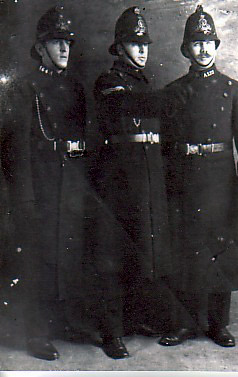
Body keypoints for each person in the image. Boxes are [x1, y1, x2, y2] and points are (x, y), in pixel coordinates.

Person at [1, 5, 103, 360]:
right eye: (56, 42)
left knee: (69, 255)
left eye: (68, 43)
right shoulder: (23, 88)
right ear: (40, 46)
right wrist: (25, 199)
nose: (64, 49)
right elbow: (15, 150)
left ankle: (65, 323)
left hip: (71, 185)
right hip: (40, 188)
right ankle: (36, 333)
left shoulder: (74, 88)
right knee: (38, 259)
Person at [93, 6, 195, 359]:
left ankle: (140, 321)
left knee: (147, 254)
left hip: (148, 178)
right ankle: (112, 334)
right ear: (119, 47)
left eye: (145, 44)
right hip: (119, 179)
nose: (142, 50)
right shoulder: (109, 82)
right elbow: (126, 104)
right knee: (112, 258)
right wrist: (166, 101)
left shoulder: (144, 82)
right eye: (134, 44)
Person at [160, 5, 238, 348]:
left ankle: (219, 324)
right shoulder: (173, 91)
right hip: (184, 182)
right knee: (186, 252)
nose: (202, 49)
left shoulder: (235, 90)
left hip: (220, 184)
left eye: (208, 42)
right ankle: (185, 323)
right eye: (196, 43)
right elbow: (165, 147)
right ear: (187, 49)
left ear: (216, 46)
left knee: (220, 251)